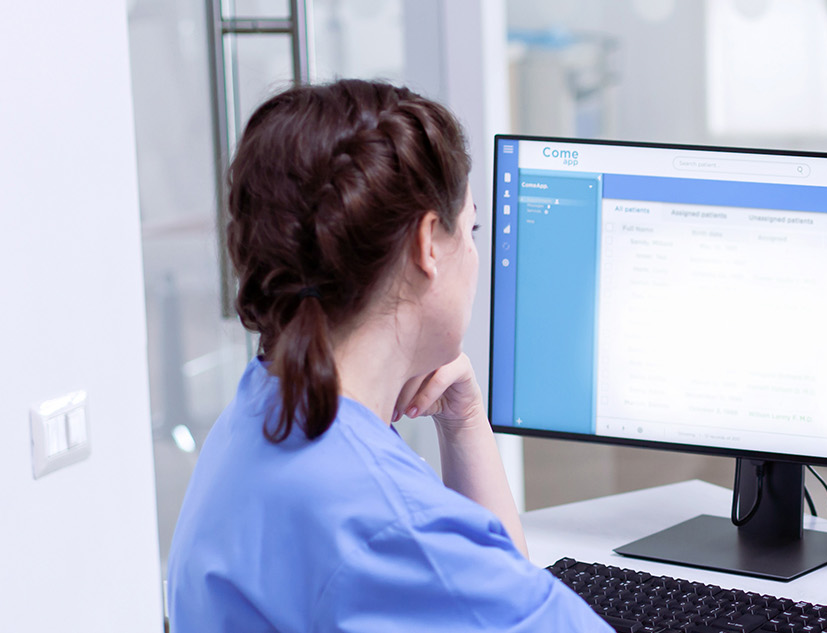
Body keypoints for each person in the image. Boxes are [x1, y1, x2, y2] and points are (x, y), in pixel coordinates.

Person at [166, 80, 606, 632]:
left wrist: (465, 421)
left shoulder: (258, 413)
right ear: (427, 245)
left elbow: (495, 596)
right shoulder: (393, 529)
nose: (474, 255)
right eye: (470, 230)